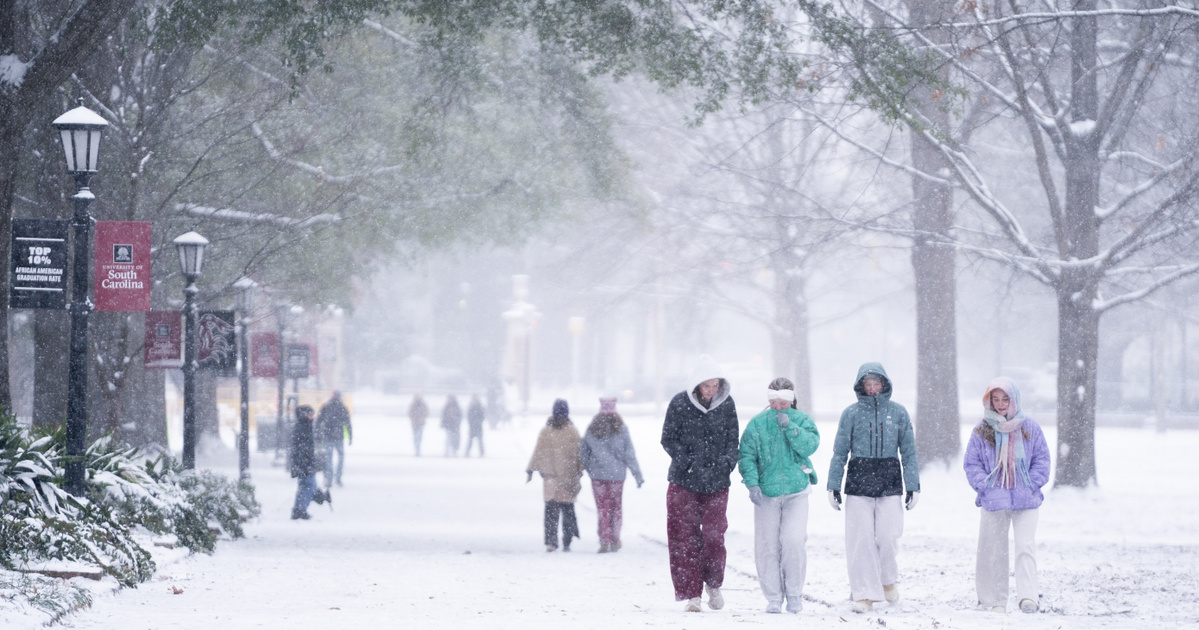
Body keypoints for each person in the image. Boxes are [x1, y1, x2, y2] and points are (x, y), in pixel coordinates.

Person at [827, 362, 920, 613]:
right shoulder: (851, 413)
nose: (872, 388)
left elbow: (909, 452)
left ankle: (887, 579)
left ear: (885, 384)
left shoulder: (899, 413)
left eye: (876, 383)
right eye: (867, 384)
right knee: (861, 540)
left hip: (889, 479)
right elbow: (839, 451)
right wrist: (833, 484)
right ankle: (864, 594)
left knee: (888, 536)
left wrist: (913, 485)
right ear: (861, 386)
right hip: (859, 479)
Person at [964, 377, 1051, 614]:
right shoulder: (982, 429)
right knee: (993, 550)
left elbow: (1042, 459)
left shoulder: (1029, 427)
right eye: (996, 399)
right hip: (994, 499)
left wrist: (1032, 482)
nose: (1001, 404)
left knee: (1025, 546)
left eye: (1005, 399)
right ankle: (993, 600)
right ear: (989, 400)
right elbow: (971, 463)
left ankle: (1028, 597)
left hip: (1027, 499)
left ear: (1014, 400)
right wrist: (986, 486)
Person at [661, 354, 740, 613]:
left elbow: (732, 439)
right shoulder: (679, 403)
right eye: (707, 385)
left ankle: (713, 584)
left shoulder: (727, 406)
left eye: (716, 385)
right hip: (684, 481)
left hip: (717, 482)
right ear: (697, 385)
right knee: (685, 538)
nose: (712, 390)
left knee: (714, 536)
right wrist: (686, 461)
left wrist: (727, 461)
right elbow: (668, 438)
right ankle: (691, 593)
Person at [739, 377, 820, 614]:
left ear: (791, 400)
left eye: (783, 403)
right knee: (767, 546)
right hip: (767, 493)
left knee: (793, 541)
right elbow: (746, 455)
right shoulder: (757, 424)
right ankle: (773, 596)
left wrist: (791, 429)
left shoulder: (802, 420)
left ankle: (794, 593)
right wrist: (753, 484)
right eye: (773, 403)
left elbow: (810, 447)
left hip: (797, 491)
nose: (778, 407)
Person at [579, 396, 645, 553]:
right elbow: (629, 454)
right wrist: (637, 474)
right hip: (617, 476)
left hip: (598, 477)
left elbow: (584, 454)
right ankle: (615, 539)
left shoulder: (592, 429)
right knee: (616, 508)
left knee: (602, 509)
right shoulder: (621, 429)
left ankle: (604, 540)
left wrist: (590, 468)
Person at [526, 399, 584, 552]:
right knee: (568, 510)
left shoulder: (546, 431)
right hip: (568, 478)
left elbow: (538, 452)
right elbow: (580, 454)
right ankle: (567, 540)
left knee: (551, 512)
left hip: (550, 478)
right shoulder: (572, 431)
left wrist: (531, 469)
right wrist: (580, 470)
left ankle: (551, 542)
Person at [289, 405, 329, 520]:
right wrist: (308, 462)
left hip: (303, 463)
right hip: (304, 463)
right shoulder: (303, 428)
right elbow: (303, 448)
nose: (312, 417)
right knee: (309, 486)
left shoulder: (304, 426)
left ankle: (298, 509)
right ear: (304, 415)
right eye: (310, 414)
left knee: (303, 486)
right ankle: (301, 509)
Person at [315, 391, 352, 488]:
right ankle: (338, 478)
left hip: (329, 436)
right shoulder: (342, 408)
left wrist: (318, 433)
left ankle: (329, 479)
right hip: (338, 436)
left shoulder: (327, 406)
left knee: (329, 459)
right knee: (340, 458)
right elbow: (348, 423)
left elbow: (319, 421)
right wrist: (350, 436)